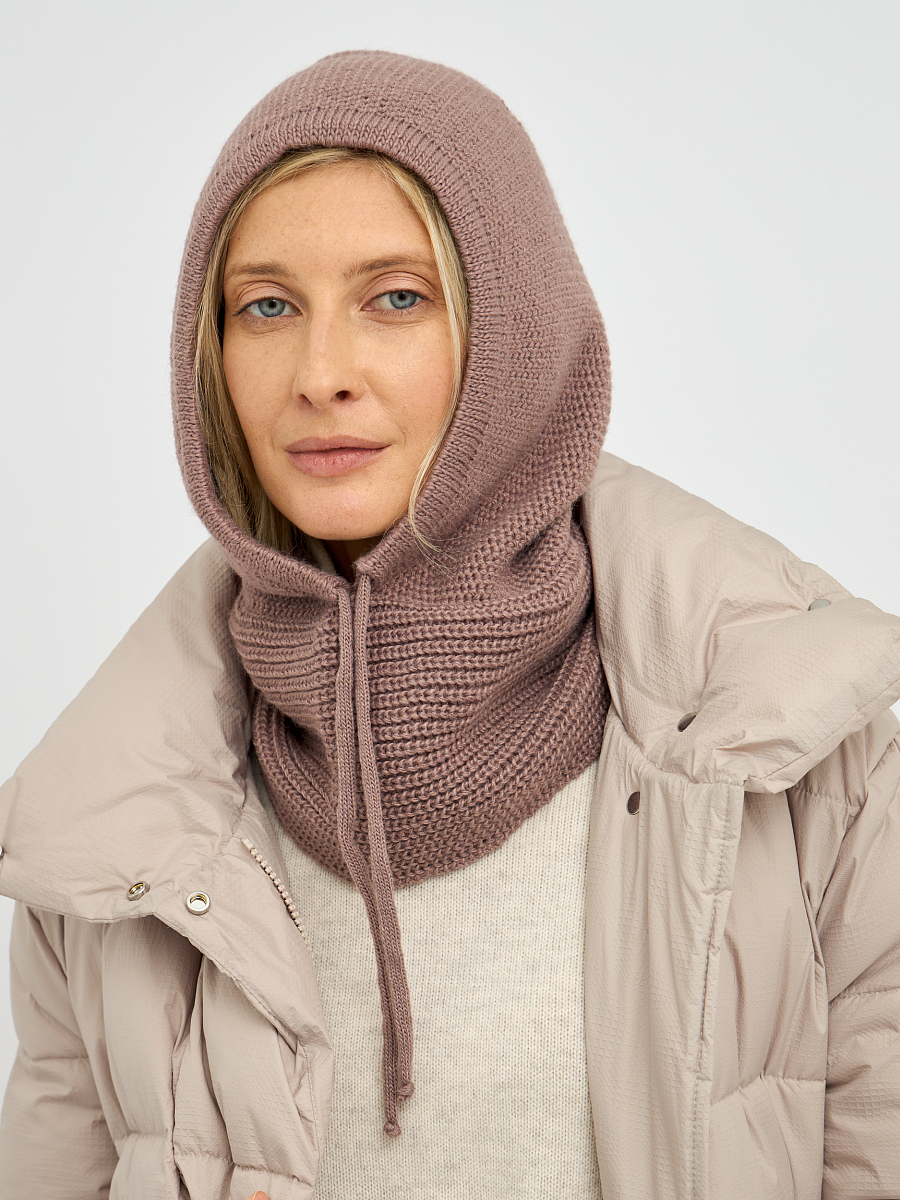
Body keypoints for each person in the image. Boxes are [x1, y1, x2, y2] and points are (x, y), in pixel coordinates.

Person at [1, 49, 898, 1200]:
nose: (321, 373)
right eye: (267, 306)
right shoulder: (103, 836)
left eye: (396, 297)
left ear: (512, 337)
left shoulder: (810, 771)